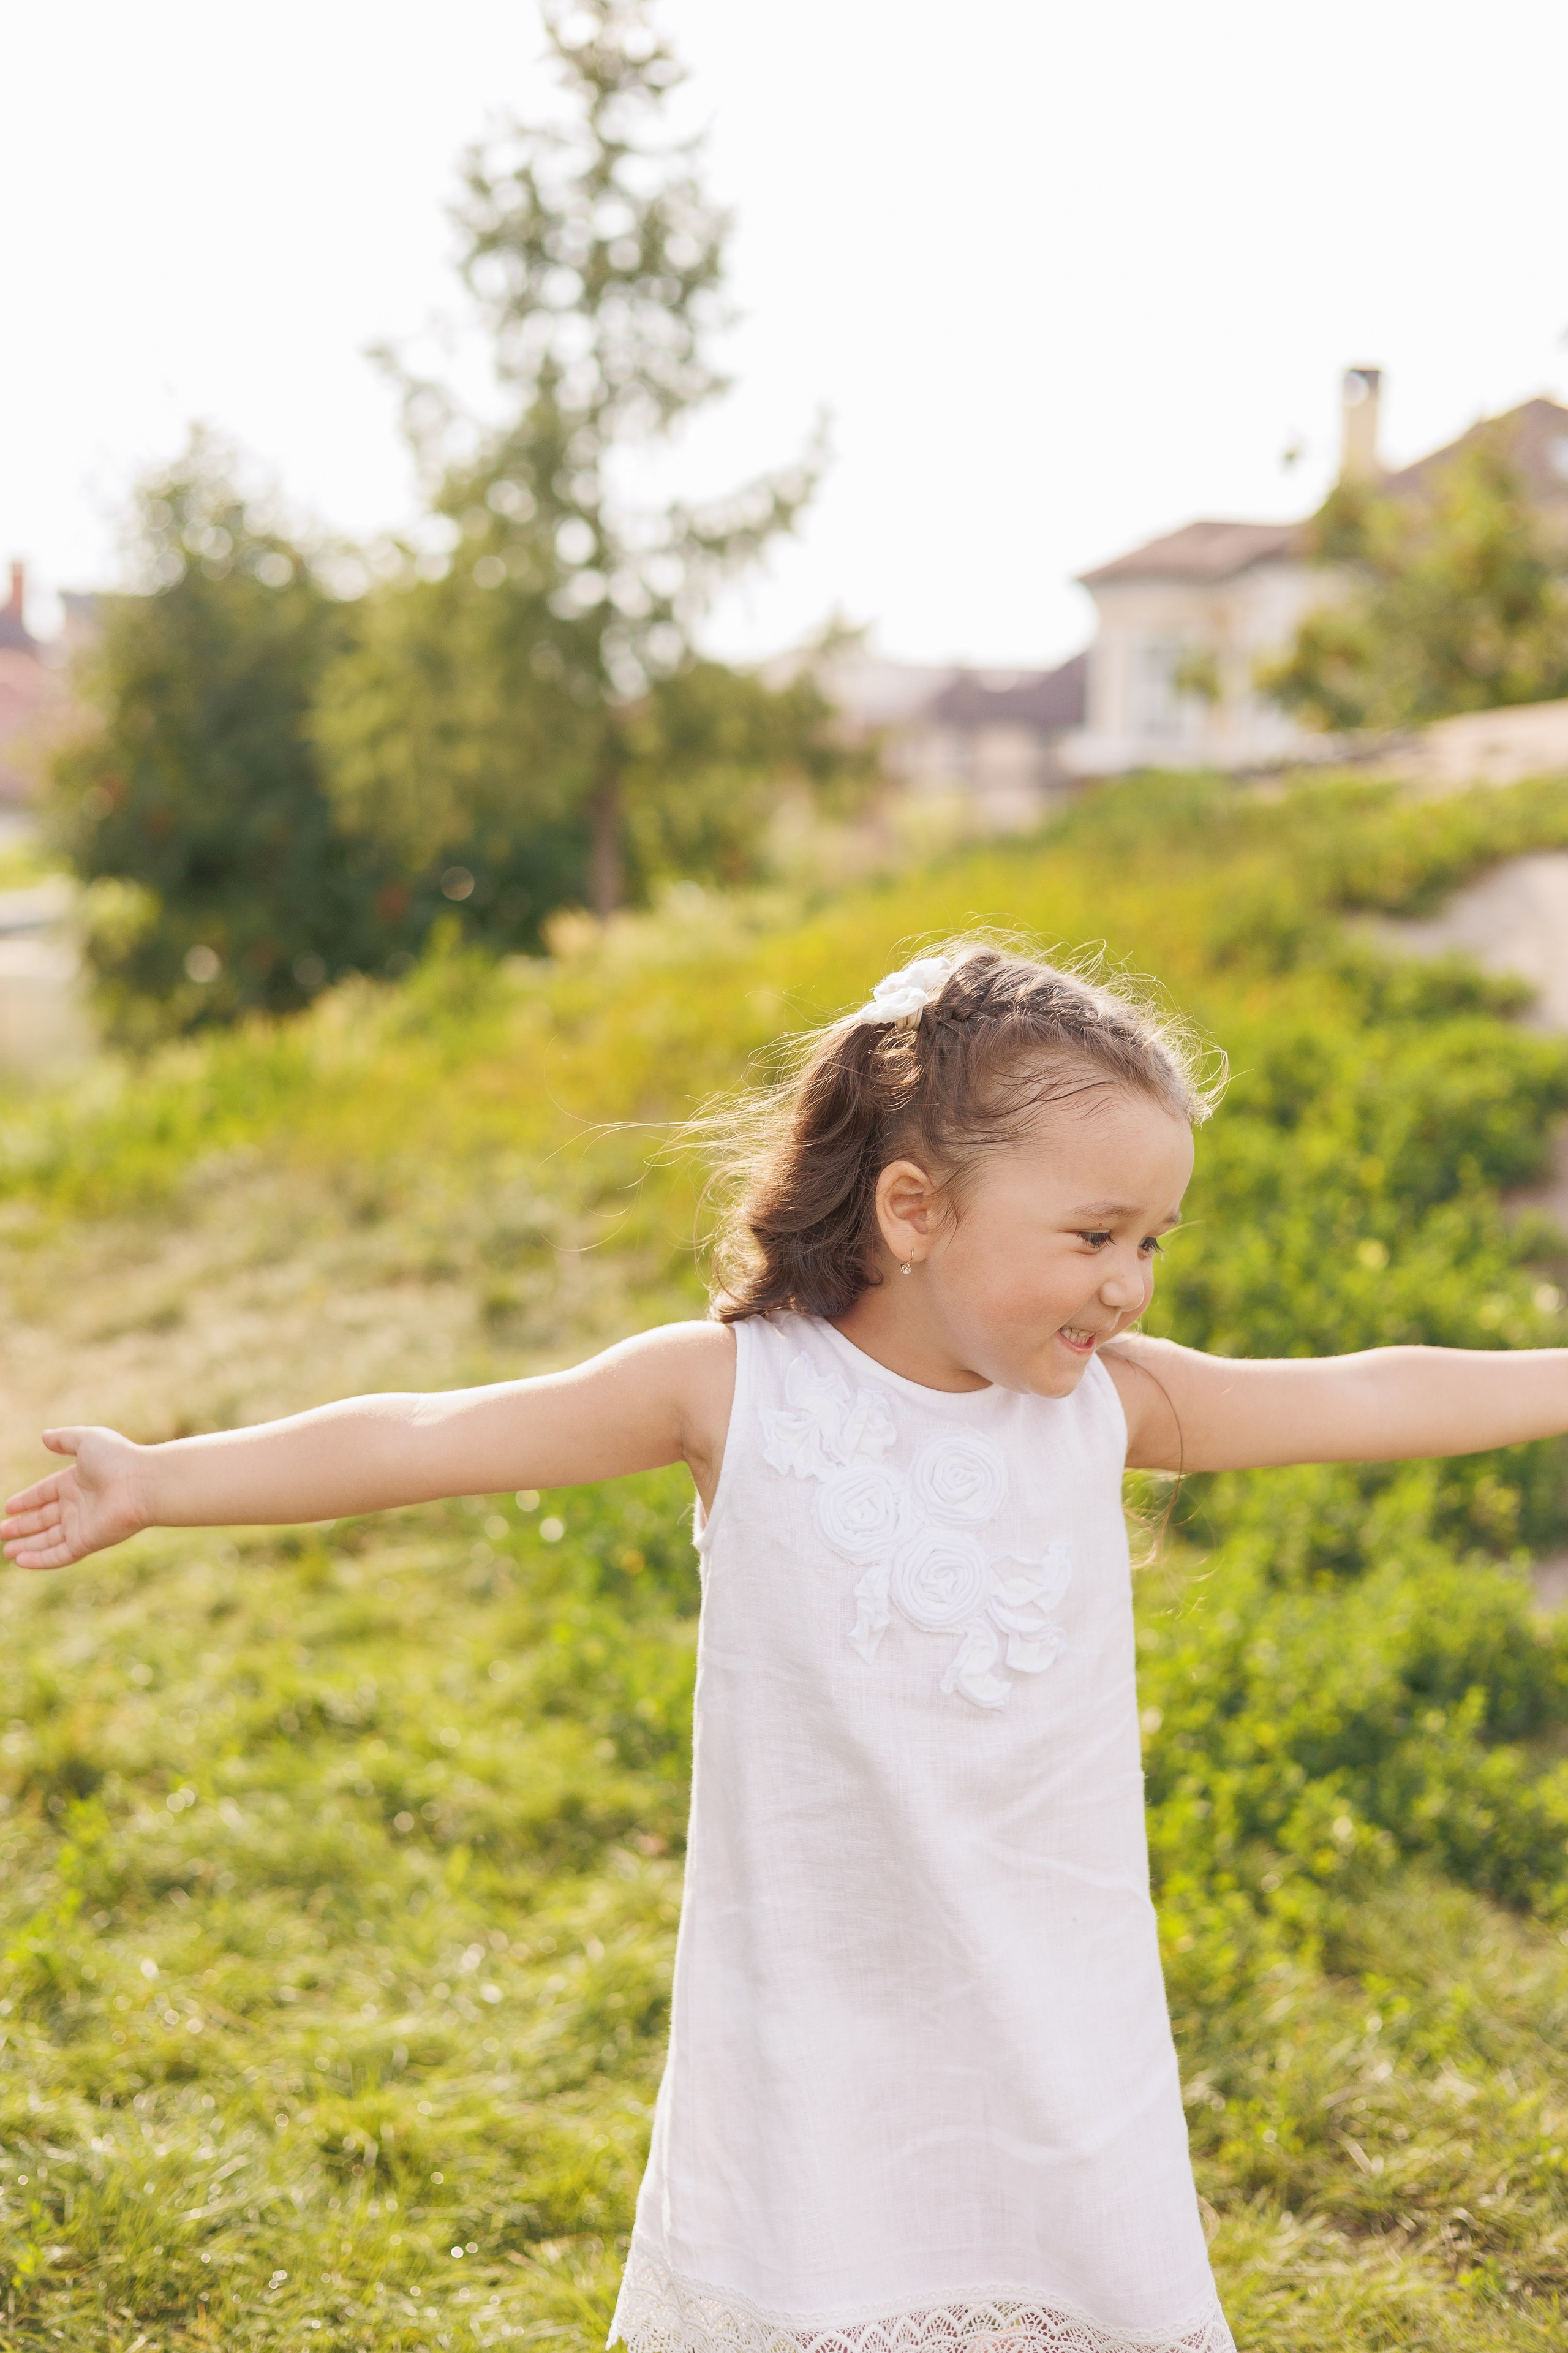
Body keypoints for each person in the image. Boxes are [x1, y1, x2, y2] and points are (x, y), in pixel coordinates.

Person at [6, 941, 1564, 2353]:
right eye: (1094, 1232)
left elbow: (1364, 1390)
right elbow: (430, 1432)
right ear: (912, 1208)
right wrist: (165, 1480)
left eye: (1152, 1239)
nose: (1129, 1282)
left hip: (1058, 2007)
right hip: (814, 2010)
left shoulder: (1103, 1404)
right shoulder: (735, 1388)